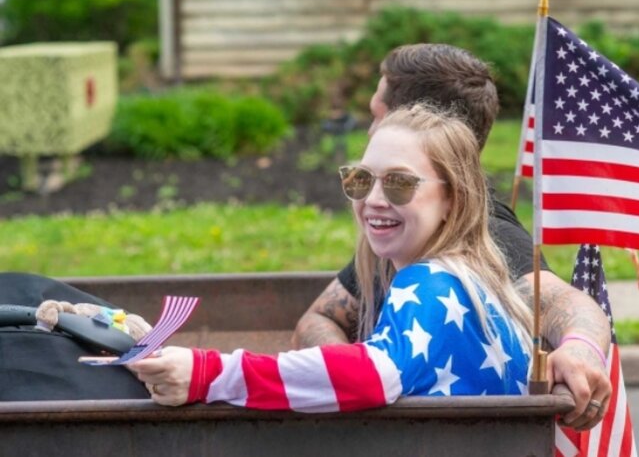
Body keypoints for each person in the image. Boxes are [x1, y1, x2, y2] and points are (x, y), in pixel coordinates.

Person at [129, 104, 537, 410]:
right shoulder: (472, 280)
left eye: (399, 183)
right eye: (361, 179)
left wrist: (210, 373)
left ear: (453, 198)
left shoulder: (433, 283)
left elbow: (372, 375)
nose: (373, 199)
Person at [291, 43, 612, 430]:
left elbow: (563, 301)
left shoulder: (487, 232)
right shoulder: (404, 232)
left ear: (415, 122)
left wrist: (582, 348)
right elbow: (320, 317)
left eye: (377, 116)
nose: (371, 130)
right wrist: (346, 374)